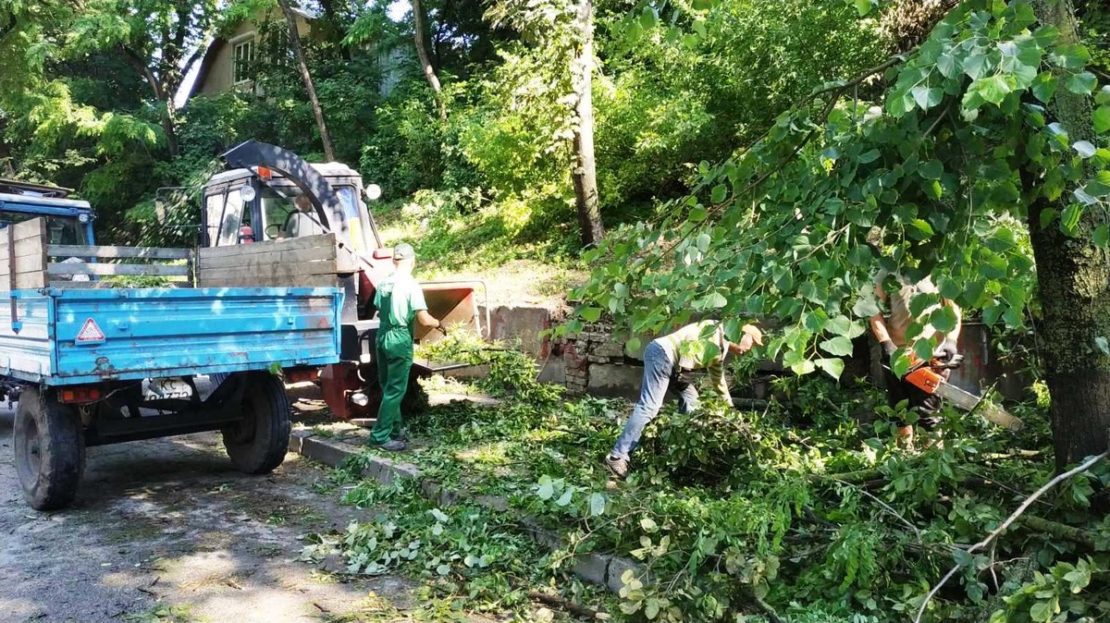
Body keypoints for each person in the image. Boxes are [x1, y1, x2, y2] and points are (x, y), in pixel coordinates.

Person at [604, 320, 763, 479]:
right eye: (751, 344)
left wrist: (731, 409)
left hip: (674, 365)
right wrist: (685, 369)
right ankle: (618, 456)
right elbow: (690, 341)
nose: (747, 350)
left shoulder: (720, 350)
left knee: (691, 399)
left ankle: (680, 448)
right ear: (744, 335)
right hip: (662, 354)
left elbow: (718, 381)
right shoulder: (713, 328)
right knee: (650, 407)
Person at [869, 271, 962, 447]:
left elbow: (954, 309)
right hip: (898, 353)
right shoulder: (888, 270)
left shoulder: (938, 268)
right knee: (900, 414)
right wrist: (886, 343)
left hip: (931, 354)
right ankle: (905, 456)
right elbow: (872, 310)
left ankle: (934, 459)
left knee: (929, 416)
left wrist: (951, 341)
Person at [371, 243, 441, 451]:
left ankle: (395, 429)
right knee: (396, 389)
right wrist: (439, 324)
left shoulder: (384, 283)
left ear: (394, 261)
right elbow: (424, 319)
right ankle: (380, 436)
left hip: (382, 335)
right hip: (399, 337)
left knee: (387, 386)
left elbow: (377, 306)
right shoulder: (411, 285)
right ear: (412, 262)